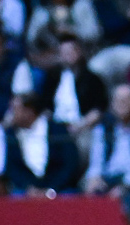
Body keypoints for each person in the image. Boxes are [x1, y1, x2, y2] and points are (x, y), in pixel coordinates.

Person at [42, 34, 108, 164]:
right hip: (56, 127)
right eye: (64, 52)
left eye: (71, 51)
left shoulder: (92, 79)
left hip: (82, 127)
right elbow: (45, 107)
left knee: (84, 148)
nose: (68, 55)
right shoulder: (52, 77)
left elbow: (99, 109)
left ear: (80, 51)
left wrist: (80, 125)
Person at [84, 83, 130, 195]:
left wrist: (125, 185)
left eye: (126, 100)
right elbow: (96, 160)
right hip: (108, 178)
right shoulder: (103, 128)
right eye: (118, 100)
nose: (121, 104)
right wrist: (94, 177)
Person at [4, 92, 82, 195]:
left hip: (60, 189)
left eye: (14, 110)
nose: (10, 114)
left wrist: (52, 189)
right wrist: (29, 188)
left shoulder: (58, 130)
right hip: (26, 191)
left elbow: (69, 163)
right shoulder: (10, 135)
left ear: (29, 111)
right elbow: (12, 167)